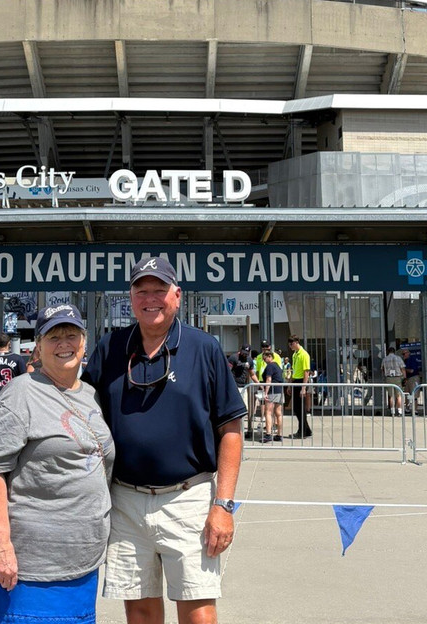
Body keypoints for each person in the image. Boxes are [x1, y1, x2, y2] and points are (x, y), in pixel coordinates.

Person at [83, 256, 245, 624]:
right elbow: (82, 410)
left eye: (159, 290)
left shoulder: (204, 348)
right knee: (139, 610)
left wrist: (224, 505)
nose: (150, 298)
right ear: (131, 297)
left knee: (198, 612)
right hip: (125, 501)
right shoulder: (111, 348)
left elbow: (231, 430)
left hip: (188, 498)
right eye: (142, 290)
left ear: (177, 296)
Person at [0, 304, 114, 624]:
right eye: (53, 336)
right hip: (30, 570)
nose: (64, 343)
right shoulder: (20, 394)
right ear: (37, 346)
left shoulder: (91, 395)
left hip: (83, 564)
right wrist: (1, 548)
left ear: (84, 342)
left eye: (71, 334)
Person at [287, 334, 313, 438]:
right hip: (295, 381)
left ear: (297, 342)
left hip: (302, 381)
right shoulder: (295, 354)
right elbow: (294, 370)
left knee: (300, 408)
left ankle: (302, 431)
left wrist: (303, 387)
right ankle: (307, 430)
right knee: (296, 408)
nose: (290, 346)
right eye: (289, 344)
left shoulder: (304, 354)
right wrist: (289, 385)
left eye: (291, 344)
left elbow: (306, 371)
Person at [261, 349, 285, 443]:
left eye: (265, 358)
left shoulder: (270, 366)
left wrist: (266, 392)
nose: (264, 360)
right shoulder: (277, 366)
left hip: (272, 390)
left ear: (270, 357)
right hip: (279, 390)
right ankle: (279, 434)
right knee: (278, 413)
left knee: (268, 412)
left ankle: (268, 434)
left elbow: (268, 379)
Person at [381, 346, 406, 416]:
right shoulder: (398, 358)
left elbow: (382, 369)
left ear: (388, 352)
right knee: (399, 395)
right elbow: (403, 368)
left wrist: (385, 375)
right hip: (397, 378)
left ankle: (392, 411)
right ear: (394, 351)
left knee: (391, 396)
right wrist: (404, 377)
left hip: (389, 378)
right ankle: (400, 411)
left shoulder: (385, 359)